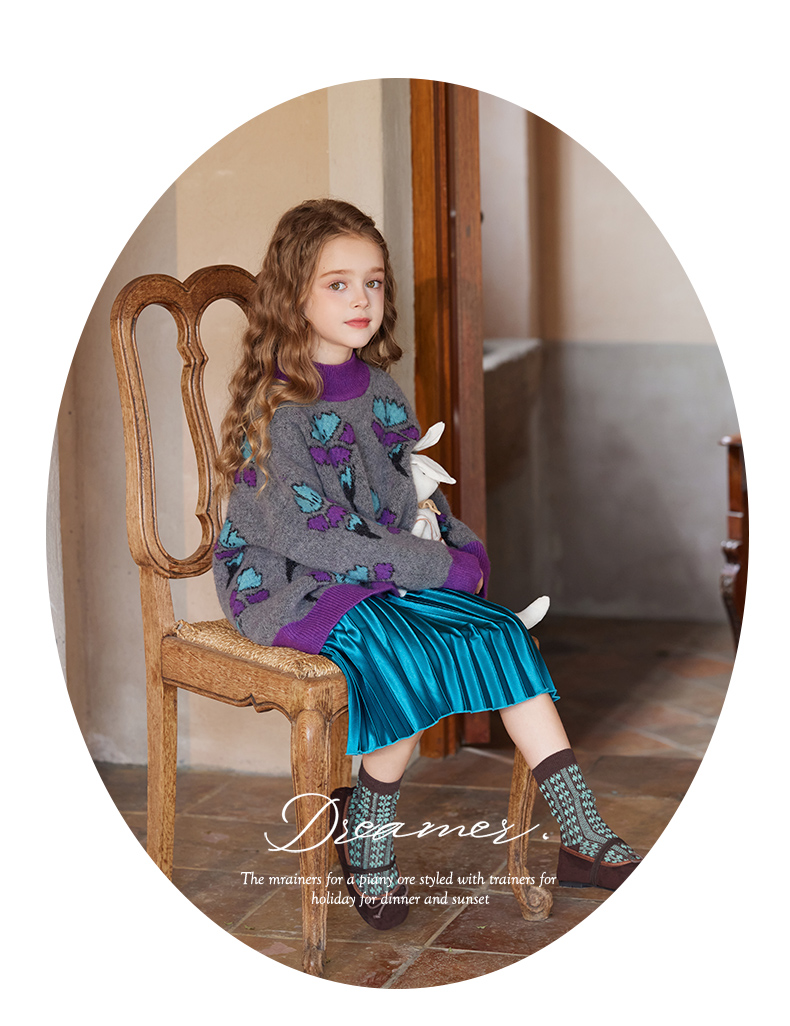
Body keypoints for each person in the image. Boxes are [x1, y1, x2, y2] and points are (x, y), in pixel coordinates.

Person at [214, 198, 641, 930]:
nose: (361, 300)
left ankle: (582, 837)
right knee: (402, 652)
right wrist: (433, 567)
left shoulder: (379, 389)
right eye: (337, 284)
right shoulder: (279, 409)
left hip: (377, 566)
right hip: (293, 582)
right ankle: (367, 832)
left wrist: (457, 543)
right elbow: (314, 538)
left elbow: (406, 490)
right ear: (294, 296)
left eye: (373, 283)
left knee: (501, 633)